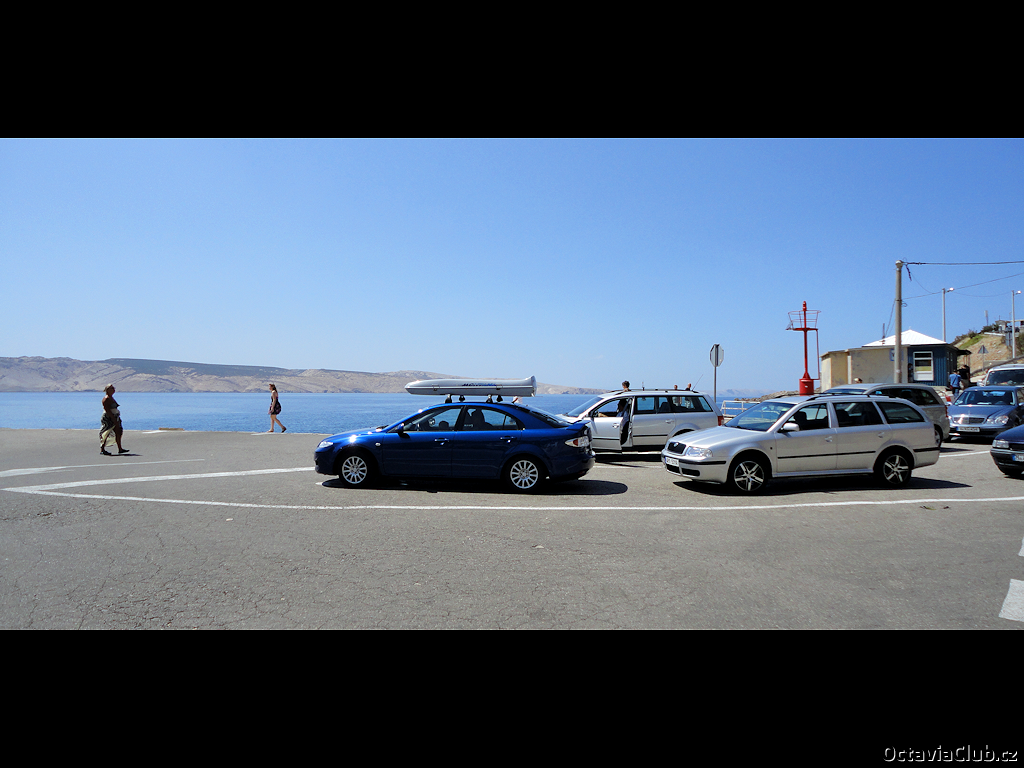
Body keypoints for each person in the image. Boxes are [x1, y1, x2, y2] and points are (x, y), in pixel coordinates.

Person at [100, 384, 127, 455]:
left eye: (113, 388)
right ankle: (102, 449)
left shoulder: (111, 398)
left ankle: (120, 448)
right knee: (106, 432)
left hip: (115, 416)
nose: (113, 390)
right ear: (107, 390)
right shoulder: (106, 399)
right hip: (108, 417)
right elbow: (107, 410)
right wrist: (113, 419)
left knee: (118, 431)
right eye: (111, 389)